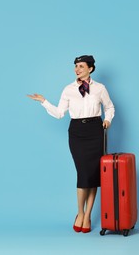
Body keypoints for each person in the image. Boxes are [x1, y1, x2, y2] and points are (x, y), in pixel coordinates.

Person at [27, 55, 115, 233]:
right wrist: (44, 101)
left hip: (95, 131)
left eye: (81, 66)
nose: (77, 69)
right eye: (76, 66)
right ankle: (79, 213)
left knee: (93, 175)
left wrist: (108, 120)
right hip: (77, 133)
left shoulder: (100, 88)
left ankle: (87, 215)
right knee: (83, 173)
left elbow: (110, 107)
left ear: (90, 68)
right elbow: (60, 113)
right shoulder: (68, 89)